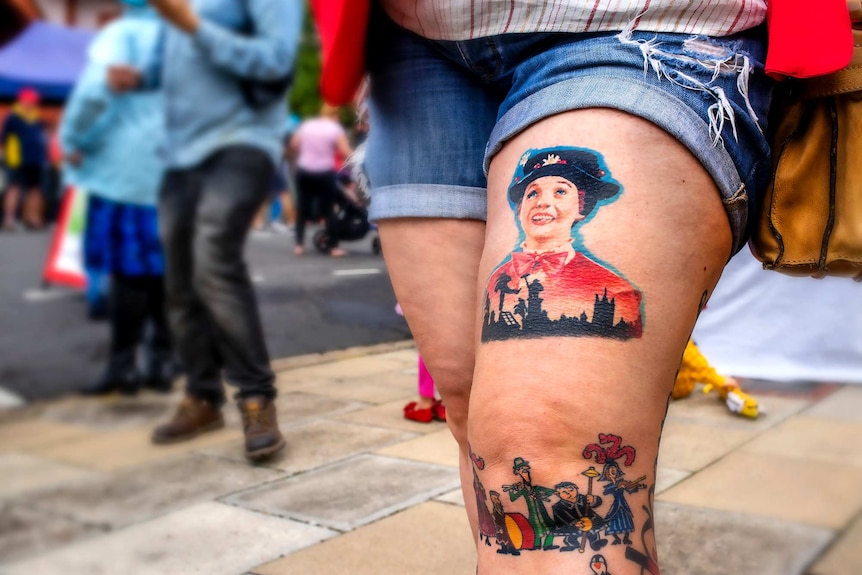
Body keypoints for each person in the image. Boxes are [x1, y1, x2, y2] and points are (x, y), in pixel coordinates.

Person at [362, 1, 773, 572]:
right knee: (474, 419)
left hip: (639, 26)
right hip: (416, 51)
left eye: (560, 191)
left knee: (552, 447)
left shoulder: (605, 288)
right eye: (533, 191)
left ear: (583, 206)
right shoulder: (516, 279)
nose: (542, 201)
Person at [107, 0, 301, 460]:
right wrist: (140, 78)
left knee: (213, 256)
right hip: (180, 155)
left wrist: (193, 25)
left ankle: (256, 397)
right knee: (177, 277)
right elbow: (173, 74)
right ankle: (201, 395)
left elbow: (275, 62)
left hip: (243, 141)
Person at [61, 1, 173, 396]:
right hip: (174, 168)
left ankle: (122, 366)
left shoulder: (121, 35)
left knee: (128, 270)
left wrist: (72, 139)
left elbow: (94, 92)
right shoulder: (186, 35)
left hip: (123, 169)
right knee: (164, 268)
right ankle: (163, 361)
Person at [289, 104, 354, 257]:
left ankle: (299, 245)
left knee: (302, 207)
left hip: (304, 170)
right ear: (336, 115)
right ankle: (333, 247)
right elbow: (345, 151)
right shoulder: (335, 129)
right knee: (328, 210)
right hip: (324, 172)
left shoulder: (307, 125)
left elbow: (294, 144)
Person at [1, 87, 47, 230]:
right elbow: (3, 139)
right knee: (14, 188)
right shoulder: (12, 117)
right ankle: (9, 219)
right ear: (21, 100)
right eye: (29, 101)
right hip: (17, 160)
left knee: (35, 190)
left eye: (34, 101)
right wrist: (4, 155)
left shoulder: (37, 118)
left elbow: (41, 139)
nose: (31, 104)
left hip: (36, 159)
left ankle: (31, 219)